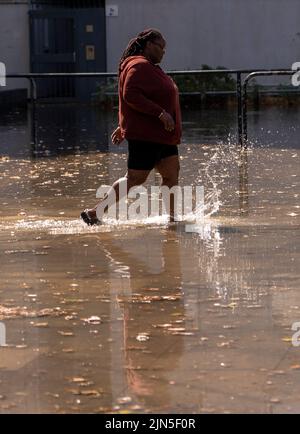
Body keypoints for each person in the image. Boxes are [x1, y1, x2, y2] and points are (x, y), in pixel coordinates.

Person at [81, 28, 182, 225]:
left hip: (163, 135)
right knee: (135, 178)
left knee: (171, 174)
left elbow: (137, 98)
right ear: (149, 45)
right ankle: (95, 212)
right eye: (161, 47)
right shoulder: (138, 65)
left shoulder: (148, 66)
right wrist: (160, 113)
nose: (163, 52)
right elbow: (131, 95)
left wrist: (124, 123)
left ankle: (172, 220)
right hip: (147, 135)